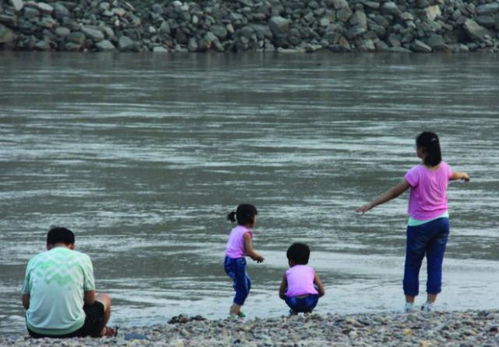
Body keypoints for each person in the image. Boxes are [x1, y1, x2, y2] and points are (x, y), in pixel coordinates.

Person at [356, 131, 470, 312]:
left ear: (422, 150)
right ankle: (430, 304)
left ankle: (409, 305)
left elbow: (394, 192)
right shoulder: (445, 168)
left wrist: (371, 204)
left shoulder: (416, 172)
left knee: (412, 264)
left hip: (420, 225)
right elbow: (455, 175)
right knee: (435, 263)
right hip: (442, 222)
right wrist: (465, 175)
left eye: (416, 147)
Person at [21, 226, 116, 338]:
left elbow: (26, 303)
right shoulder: (82, 258)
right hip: (73, 330)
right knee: (105, 298)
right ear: (72, 246)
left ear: (47, 246)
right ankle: (99, 332)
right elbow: (90, 300)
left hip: (35, 330)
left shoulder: (34, 260)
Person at [224, 204, 264, 318]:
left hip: (228, 261)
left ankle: (235, 308)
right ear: (250, 217)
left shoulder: (235, 230)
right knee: (243, 289)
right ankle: (234, 312)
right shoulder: (246, 234)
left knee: (246, 283)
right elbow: (250, 252)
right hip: (237, 263)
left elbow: (237, 249)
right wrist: (258, 257)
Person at [279, 243, 325, 314]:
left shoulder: (288, 273)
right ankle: (308, 310)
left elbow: (281, 294)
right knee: (314, 287)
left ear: (291, 261)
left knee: (287, 289)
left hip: (293, 302)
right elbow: (322, 291)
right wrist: (316, 296)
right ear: (307, 259)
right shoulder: (311, 271)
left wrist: (287, 296)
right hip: (310, 302)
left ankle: (294, 311)